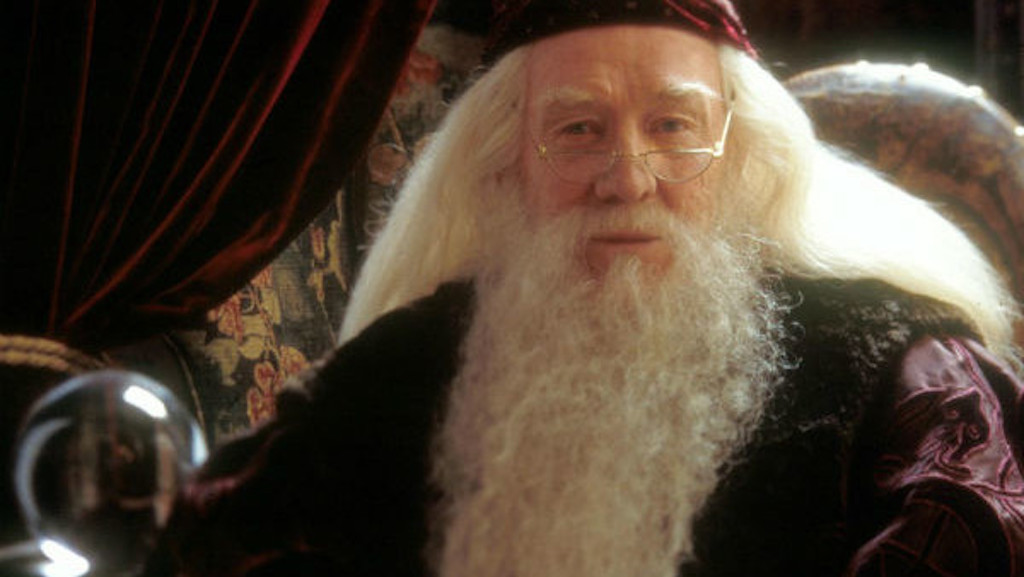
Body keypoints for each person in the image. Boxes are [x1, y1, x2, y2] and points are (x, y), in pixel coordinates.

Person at [156, 1, 1024, 576]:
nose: (627, 178)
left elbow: (978, 535)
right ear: (506, 164)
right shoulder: (400, 369)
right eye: (577, 128)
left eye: (673, 126)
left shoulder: (898, 363)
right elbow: (214, 543)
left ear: (741, 157)